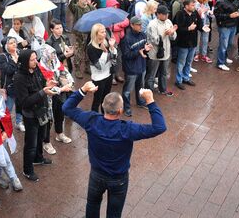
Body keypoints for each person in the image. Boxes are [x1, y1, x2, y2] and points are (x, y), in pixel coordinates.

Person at [62, 82, 166, 218]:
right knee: (114, 213)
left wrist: (82, 90)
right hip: (119, 179)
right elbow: (159, 127)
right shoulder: (127, 129)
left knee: (92, 205)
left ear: (103, 107)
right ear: (120, 111)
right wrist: (150, 101)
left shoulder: (91, 120)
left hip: (96, 175)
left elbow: (66, 107)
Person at [13, 49, 56, 182]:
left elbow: (42, 83)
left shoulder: (36, 69)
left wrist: (48, 85)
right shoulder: (19, 77)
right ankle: (27, 170)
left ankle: (38, 158)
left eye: (36, 58)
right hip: (30, 114)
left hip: (41, 110)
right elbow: (24, 102)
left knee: (41, 137)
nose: (35, 62)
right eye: (32, 60)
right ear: (25, 61)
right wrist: (43, 92)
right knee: (30, 143)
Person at [37, 44, 75, 154]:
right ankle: (46, 142)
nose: (53, 57)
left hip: (60, 95)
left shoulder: (56, 63)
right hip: (47, 98)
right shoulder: (41, 68)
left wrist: (70, 82)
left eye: (54, 54)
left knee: (60, 114)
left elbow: (65, 73)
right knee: (48, 120)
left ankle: (59, 134)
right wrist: (62, 88)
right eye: (51, 55)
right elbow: (46, 86)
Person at [120, 17, 151, 117]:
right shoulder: (126, 39)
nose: (140, 26)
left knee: (140, 87)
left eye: (141, 24)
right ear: (132, 25)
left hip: (141, 66)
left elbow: (144, 49)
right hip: (131, 69)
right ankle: (127, 107)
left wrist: (147, 49)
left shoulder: (143, 35)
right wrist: (138, 52)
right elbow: (126, 55)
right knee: (128, 90)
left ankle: (140, 101)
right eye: (138, 25)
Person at [87, 24, 118, 113]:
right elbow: (99, 66)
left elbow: (114, 58)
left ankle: (104, 117)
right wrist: (105, 52)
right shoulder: (91, 47)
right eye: (102, 32)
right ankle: (94, 118)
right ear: (96, 34)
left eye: (105, 31)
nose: (105, 33)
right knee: (97, 100)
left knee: (106, 99)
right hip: (98, 78)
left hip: (108, 74)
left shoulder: (105, 42)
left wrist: (112, 47)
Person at [174, 0, 202, 89]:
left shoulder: (195, 13)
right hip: (183, 43)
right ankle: (178, 80)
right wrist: (188, 29)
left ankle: (186, 78)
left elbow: (199, 25)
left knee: (189, 61)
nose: (194, 7)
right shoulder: (180, 14)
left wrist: (203, 27)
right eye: (192, 5)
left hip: (193, 42)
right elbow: (177, 28)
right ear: (186, 6)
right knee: (181, 62)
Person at [0, 37, 23, 131]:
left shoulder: (20, 53)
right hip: (9, 86)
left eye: (14, 42)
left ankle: (19, 122)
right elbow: (8, 70)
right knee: (8, 106)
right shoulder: (3, 57)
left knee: (20, 104)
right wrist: (16, 61)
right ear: (6, 46)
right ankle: (4, 124)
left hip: (21, 84)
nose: (14, 44)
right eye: (11, 43)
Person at [214, 0, 239, 71]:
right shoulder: (221, 1)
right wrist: (229, 15)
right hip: (225, 26)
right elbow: (217, 15)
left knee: (229, 44)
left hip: (233, 24)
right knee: (223, 45)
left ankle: (224, 58)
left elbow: (238, 7)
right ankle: (220, 63)